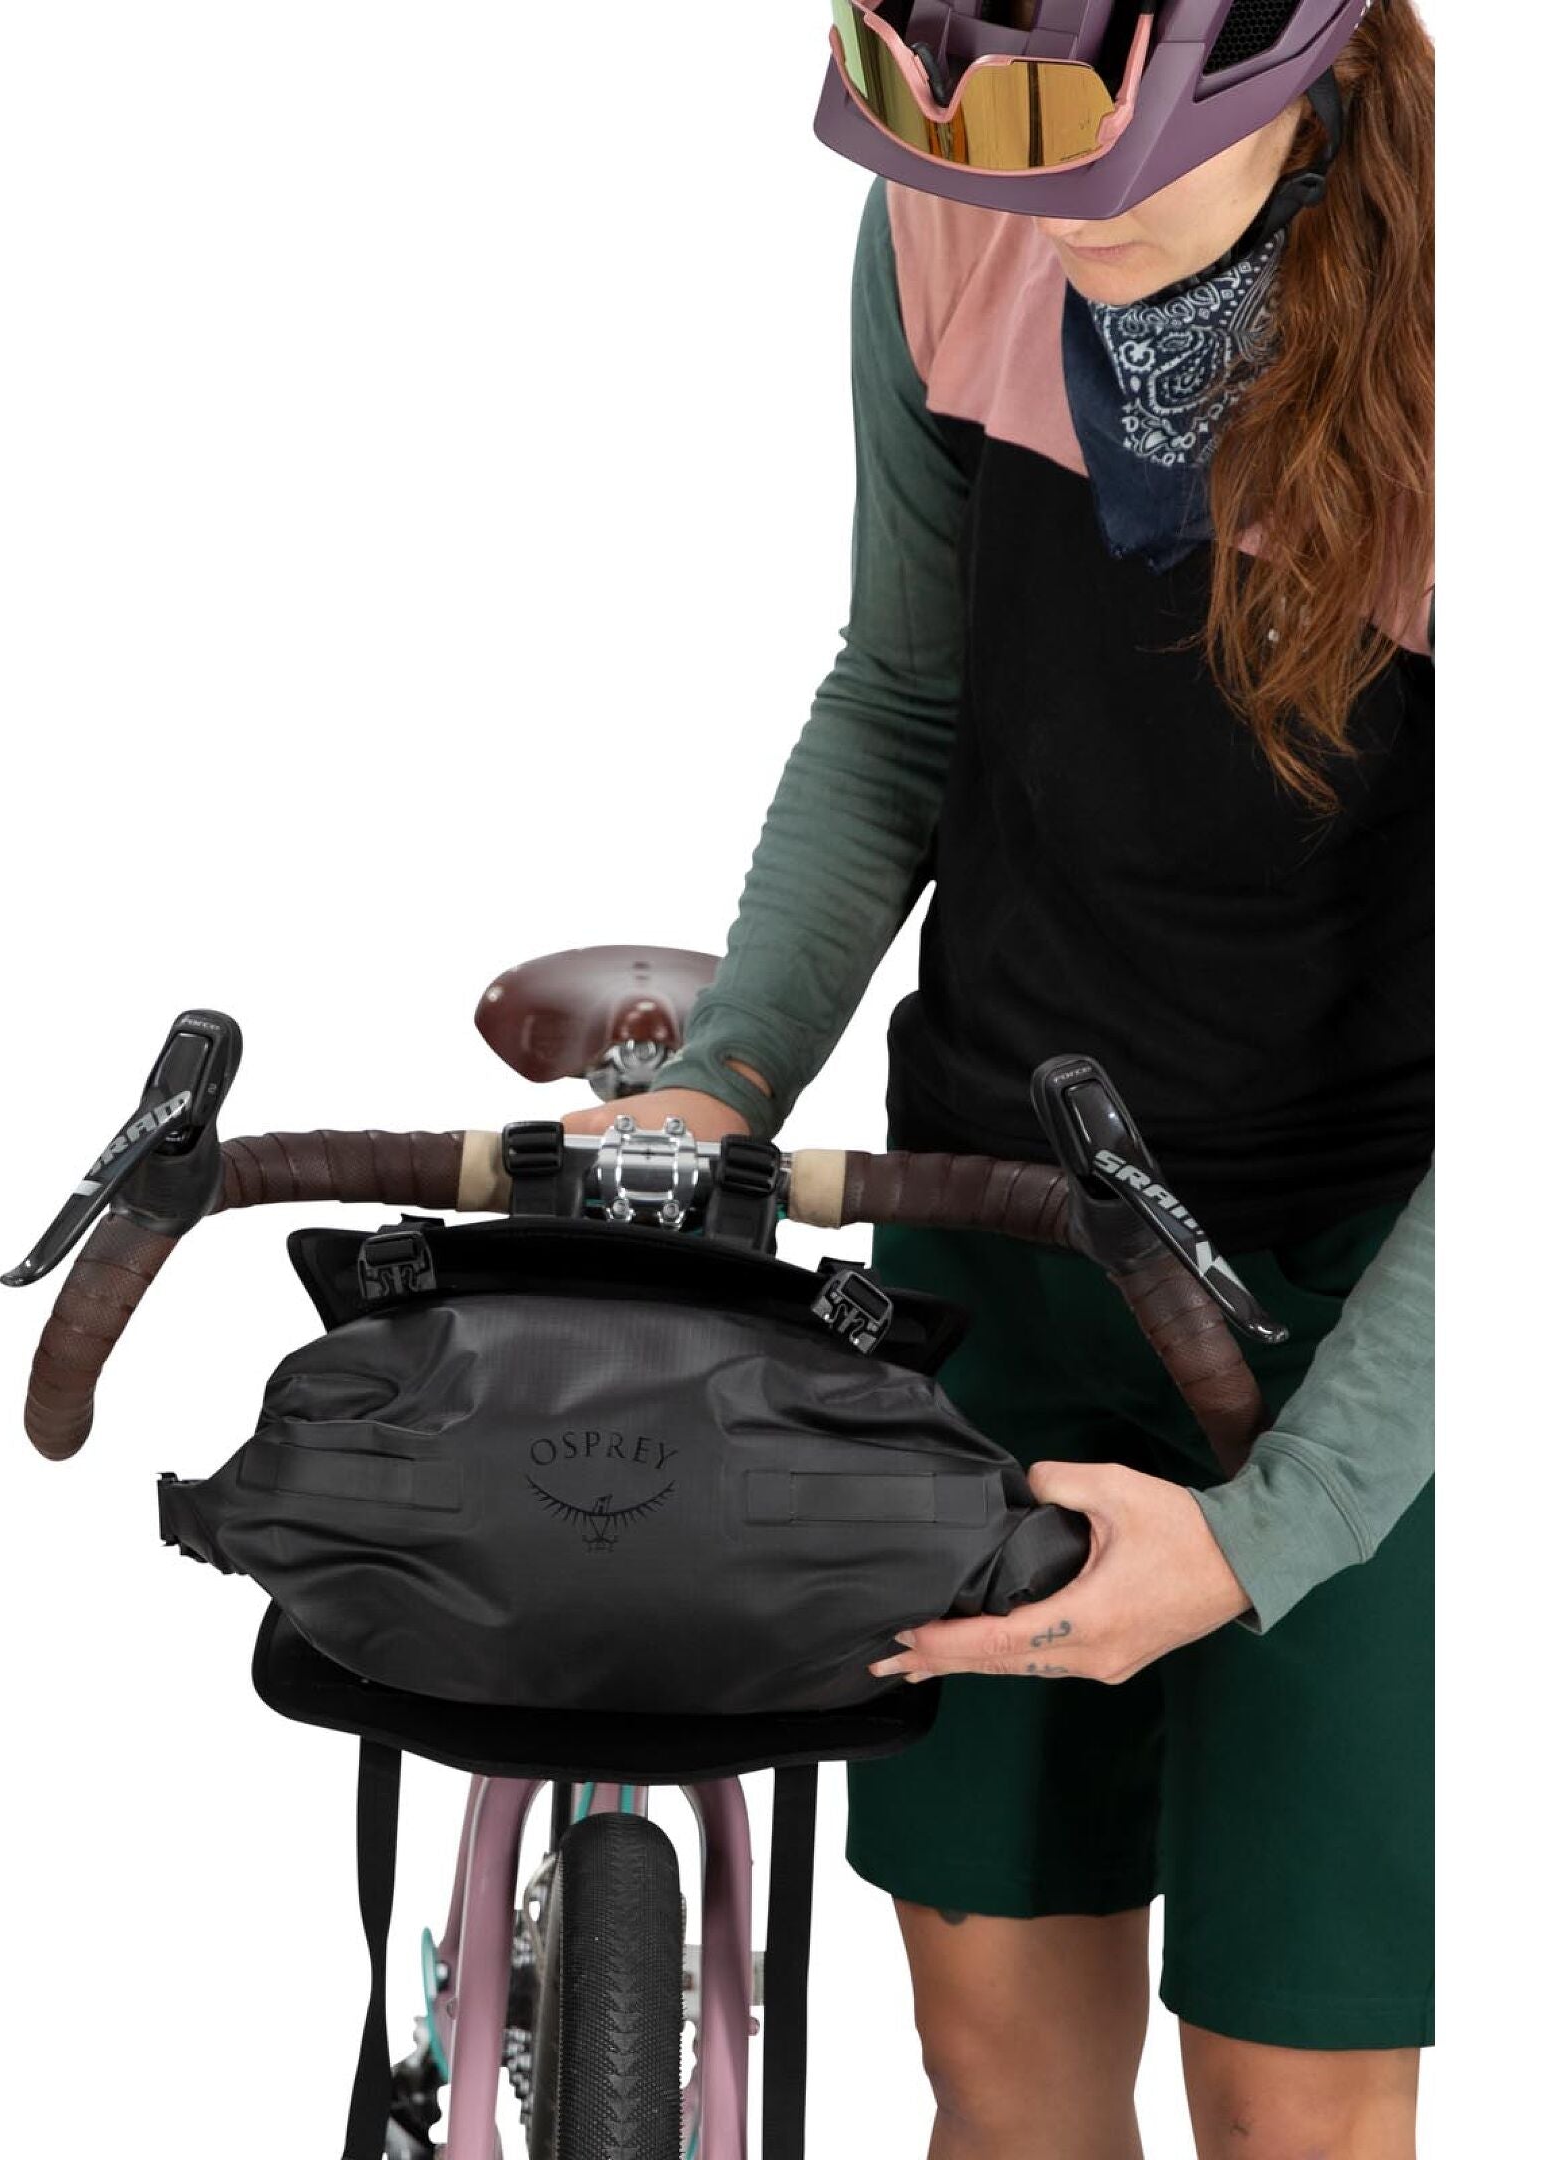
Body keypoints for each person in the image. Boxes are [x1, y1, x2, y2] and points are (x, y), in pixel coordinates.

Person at [563, 3, 1433, 2152]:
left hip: (1360, 1302)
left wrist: (1280, 1528)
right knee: (999, 2070)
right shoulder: (953, 222)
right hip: (1000, 1241)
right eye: (989, 152)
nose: (1048, 214)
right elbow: (903, 696)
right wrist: (727, 1080)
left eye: (1095, 149)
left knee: (1295, 2102)